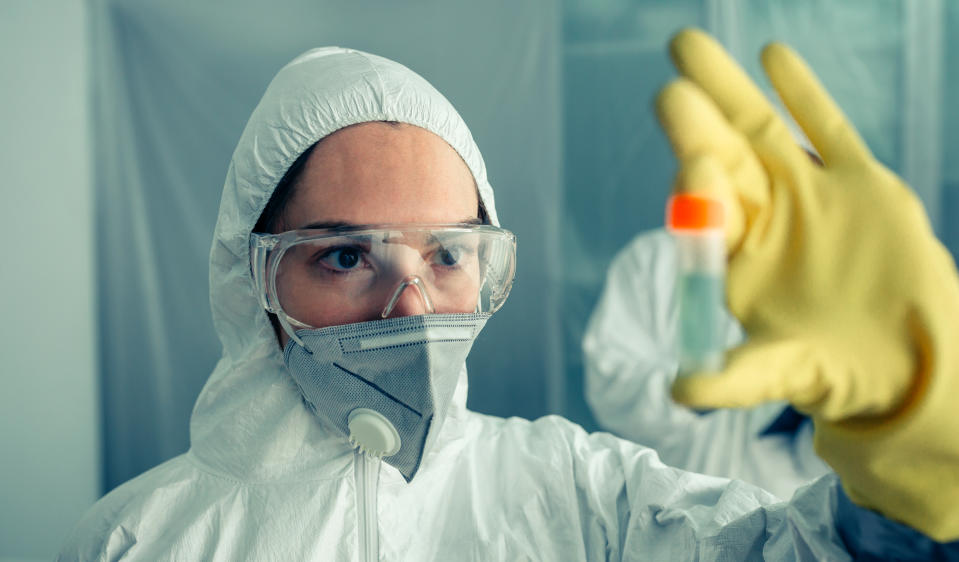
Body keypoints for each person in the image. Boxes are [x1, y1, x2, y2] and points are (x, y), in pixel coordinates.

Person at [59, 31, 959, 560]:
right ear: (251, 281)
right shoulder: (134, 541)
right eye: (342, 258)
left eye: (447, 255)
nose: (411, 310)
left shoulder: (570, 496)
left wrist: (914, 450)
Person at [583, 228, 831, 500]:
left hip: (783, 515)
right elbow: (610, 389)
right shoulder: (656, 261)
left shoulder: (827, 269)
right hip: (665, 510)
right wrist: (698, 389)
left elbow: (828, 464)